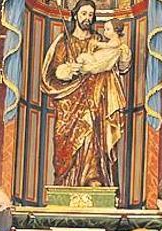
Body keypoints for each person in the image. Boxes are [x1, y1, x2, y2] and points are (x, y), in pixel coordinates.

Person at [41, 0, 131, 187]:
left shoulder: (98, 41)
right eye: (83, 14)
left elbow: (115, 65)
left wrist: (124, 57)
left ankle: (93, 178)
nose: (87, 18)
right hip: (68, 104)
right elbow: (50, 73)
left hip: (95, 97)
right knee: (65, 141)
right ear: (75, 15)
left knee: (92, 138)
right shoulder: (63, 42)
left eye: (90, 14)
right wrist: (64, 71)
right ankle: (65, 181)